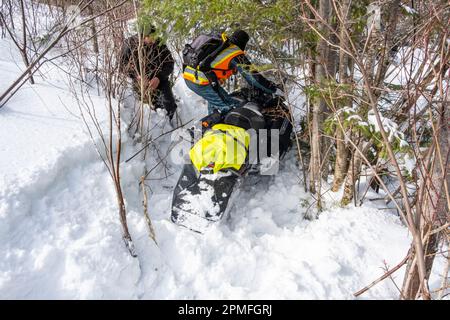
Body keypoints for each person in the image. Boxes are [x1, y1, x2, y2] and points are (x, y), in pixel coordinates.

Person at [183, 29, 282, 115]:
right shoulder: (234, 52)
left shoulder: (222, 44)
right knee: (228, 108)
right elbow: (253, 77)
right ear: (243, 43)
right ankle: (216, 133)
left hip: (189, 77)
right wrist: (273, 89)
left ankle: (210, 128)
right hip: (200, 81)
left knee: (217, 104)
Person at [120, 24, 178, 120]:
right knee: (149, 109)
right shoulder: (129, 45)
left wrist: (159, 77)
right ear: (142, 37)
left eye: (155, 37)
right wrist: (137, 76)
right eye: (151, 38)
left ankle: (171, 124)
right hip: (140, 83)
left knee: (169, 105)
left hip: (159, 79)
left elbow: (169, 64)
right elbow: (122, 66)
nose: (154, 40)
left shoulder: (160, 44)